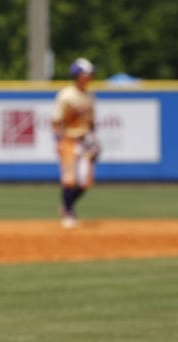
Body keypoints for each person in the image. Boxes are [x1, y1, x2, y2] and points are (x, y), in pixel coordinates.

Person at [52, 57, 99, 229]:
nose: (91, 76)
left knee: (86, 182)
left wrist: (94, 141)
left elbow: (91, 123)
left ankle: (66, 206)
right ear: (78, 75)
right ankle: (69, 212)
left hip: (85, 140)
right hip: (69, 140)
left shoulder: (90, 97)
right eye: (88, 73)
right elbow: (56, 121)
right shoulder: (66, 95)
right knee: (70, 180)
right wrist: (58, 141)